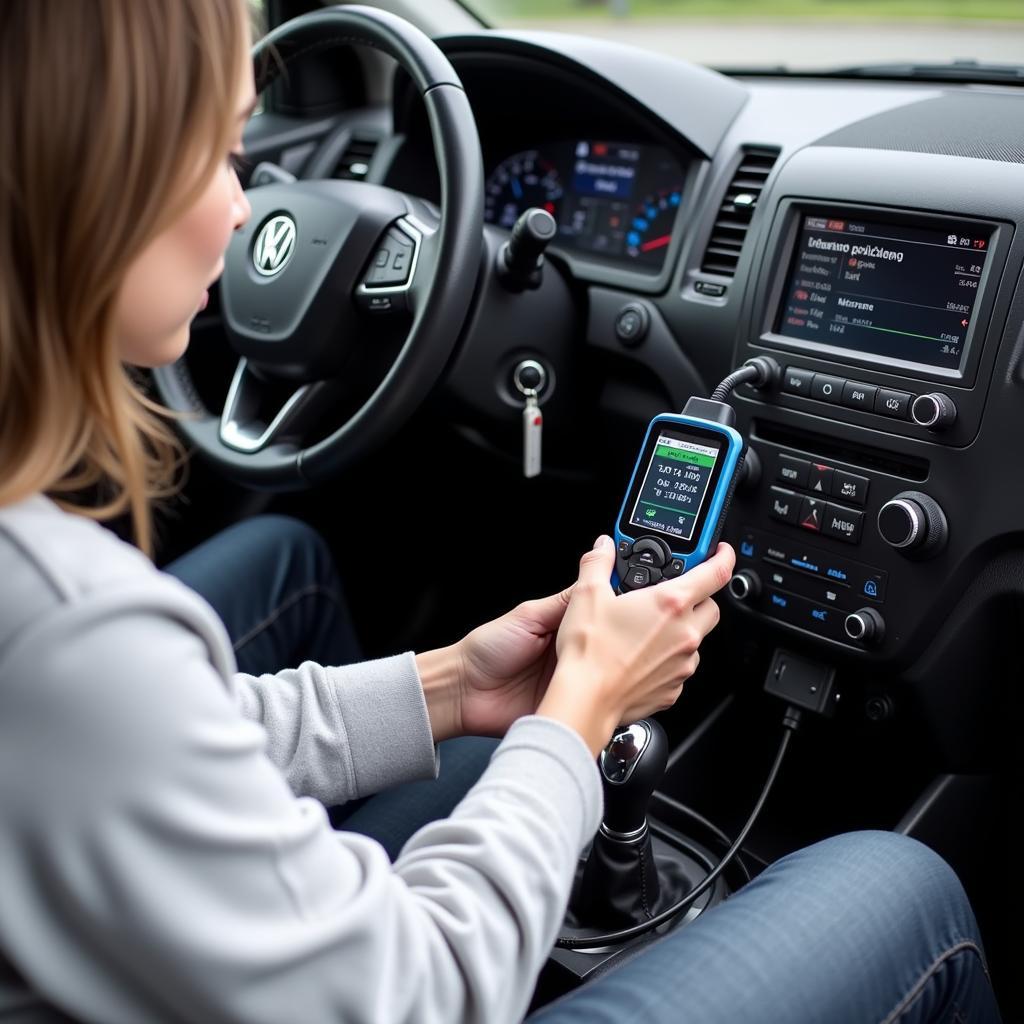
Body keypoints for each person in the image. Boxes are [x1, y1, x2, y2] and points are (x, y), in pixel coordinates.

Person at [0, 2, 1002, 1022]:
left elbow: (170, 737)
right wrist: (581, 716)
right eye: (218, 153)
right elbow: (418, 990)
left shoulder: (52, 604)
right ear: (92, 182)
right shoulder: (73, 634)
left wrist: (449, 685)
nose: (249, 211)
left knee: (477, 749)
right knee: (902, 886)